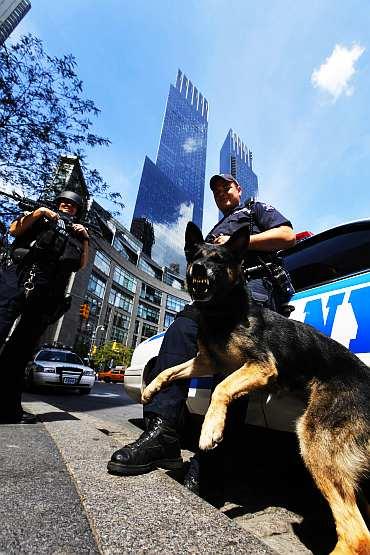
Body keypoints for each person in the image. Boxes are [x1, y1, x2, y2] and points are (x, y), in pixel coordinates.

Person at [107, 174, 296, 479]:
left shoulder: (254, 210)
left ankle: (212, 464)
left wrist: (237, 246)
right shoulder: (213, 229)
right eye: (216, 190)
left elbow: (288, 236)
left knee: (232, 366)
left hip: (252, 292)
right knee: (180, 330)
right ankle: (162, 434)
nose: (222, 192)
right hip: (211, 298)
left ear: (239, 189)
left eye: (226, 187)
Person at [0, 190, 89, 424]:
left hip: (46, 292)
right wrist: (39, 213)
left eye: (73, 205)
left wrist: (86, 238)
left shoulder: (77, 233)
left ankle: (8, 409)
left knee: (21, 351)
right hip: (18, 278)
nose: (67, 206)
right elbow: (13, 230)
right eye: (64, 202)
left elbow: (80, 265)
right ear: (57, 203)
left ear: (78, 210)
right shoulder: (40, 215)